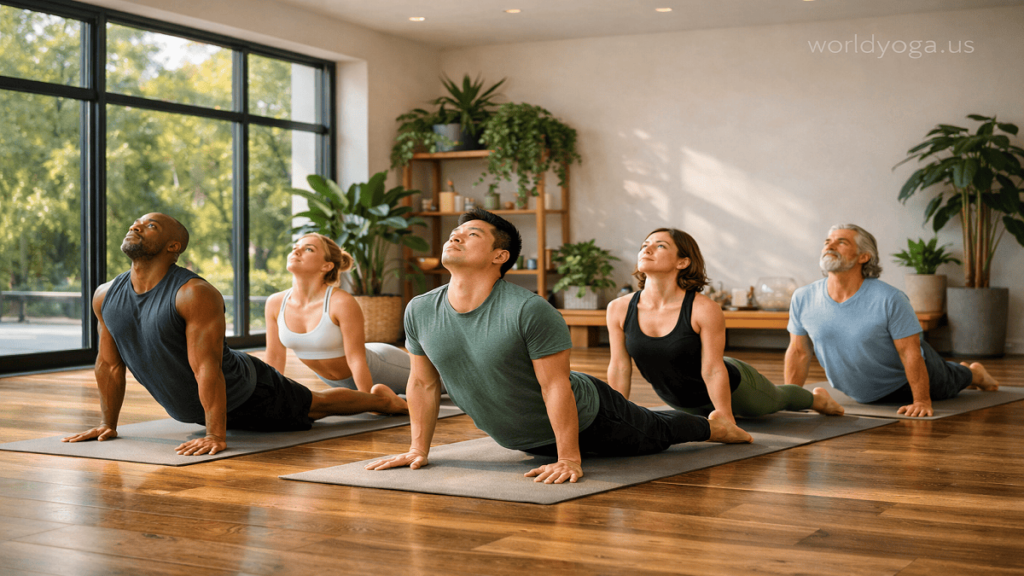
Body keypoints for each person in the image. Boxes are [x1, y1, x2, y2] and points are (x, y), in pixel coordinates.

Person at [365, 209, 752, 485]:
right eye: (456, 232)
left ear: (500, 257)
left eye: (472, 234)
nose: (456, 236)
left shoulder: (529, 310)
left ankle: (714, 426)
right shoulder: (419, 309)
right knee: (649, 422)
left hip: (591, 416)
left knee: (655, 432)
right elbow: (422, 384)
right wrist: (418, 450)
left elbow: (555, 386)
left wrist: (568, 457)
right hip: (527, 435)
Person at [62, 213, 407, 456]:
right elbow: (108, 366)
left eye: (150, 225)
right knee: (312, 405)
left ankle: (383, 401)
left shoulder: (193, 293)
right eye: (136, 222)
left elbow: (206, 367)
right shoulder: (106, 295)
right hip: (197, 407)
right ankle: (378, 399)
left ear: (173, 246)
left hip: (248, 389)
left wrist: (215, 434)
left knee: (315, 406)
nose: (136, 226)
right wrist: (108, 424)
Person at [606, 228, 844, 428]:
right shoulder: (619, 308)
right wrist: (616, 415)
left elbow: (712, 368)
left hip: (735, 387)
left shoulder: (703, 308)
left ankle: (817, 400)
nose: (646, 249)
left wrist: (726, 417)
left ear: (683, 261)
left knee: (776, 400)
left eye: (660, 246)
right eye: (644, 245)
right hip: (681, 400)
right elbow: (619, 366)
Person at [785, 224, 999, 417]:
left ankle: (974, 374)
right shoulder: (803, 297)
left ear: (864, 257)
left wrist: (922, 401)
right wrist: (790, 400)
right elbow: (798, 352)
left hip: (904, 382)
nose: (830, 245)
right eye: (827, 242)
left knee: (949, 380)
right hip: (859, 392)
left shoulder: (890, 298)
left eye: (842, 242)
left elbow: (910, 353)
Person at [264, 233, 414, 394]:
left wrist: (369, 403)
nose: (296, 252)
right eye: (295, 248)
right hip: (337, 383)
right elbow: (275, 357)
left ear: (326, 266)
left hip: (382, 368)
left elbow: (356, 359)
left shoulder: (341, 302)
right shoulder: (275, 303)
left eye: (308, 249)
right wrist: (270, 397)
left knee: (438, 383)